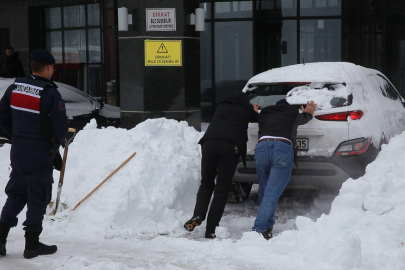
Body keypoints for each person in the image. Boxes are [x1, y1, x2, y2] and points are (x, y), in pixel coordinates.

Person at [0, 49, 68, 259]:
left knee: (17, 193)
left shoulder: (15, 87)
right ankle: (32, 245)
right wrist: (63, 141)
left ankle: (0, 239)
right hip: (39, 154)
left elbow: (2, 116)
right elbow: (60, 128)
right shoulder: (49, 93)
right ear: (48, 68)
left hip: (18, 151)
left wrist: (16, 136)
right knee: (38, 196)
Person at [184, 91, 259, 239]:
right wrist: (254, 110)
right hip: (229, 146)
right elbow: (256, 118)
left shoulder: (221, 106)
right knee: (222, 187)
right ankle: (211, 229)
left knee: (206, 182)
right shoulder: (246, 107)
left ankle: (198, 215)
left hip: (209, 143)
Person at [252, 99, 317, 240]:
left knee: (264, 189)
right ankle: (258, 229)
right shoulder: (291, 112)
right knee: (272, 192)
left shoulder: (265, 113)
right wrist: (309, 112)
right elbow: (305, 118)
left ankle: (267, 228)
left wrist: (255, 111)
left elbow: (255, 116)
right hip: (282, 149)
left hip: (262, 148)